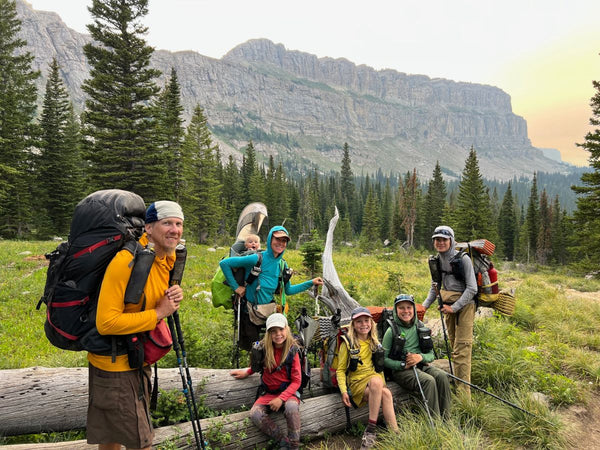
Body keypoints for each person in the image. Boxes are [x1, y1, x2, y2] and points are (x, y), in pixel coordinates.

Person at [87, 201, 185, 450]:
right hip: (115, 364)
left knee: (112, 437)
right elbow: (106, 322)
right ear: (149, 228)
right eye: (167, 223)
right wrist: (158, 312)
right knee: (142, 441)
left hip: (133, 356)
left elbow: (149, 298)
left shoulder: (163, 258)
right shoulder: (126, 261)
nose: (175, 229)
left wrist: (171, 296)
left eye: (179, 224)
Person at [220, 225, 323, 347]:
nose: (280, 243)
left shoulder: (282, 265)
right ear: (270, 240)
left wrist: (311, 282)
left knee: (273, 347)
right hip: (249, 313)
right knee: (255, 350)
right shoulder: (256, 258)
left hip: (269, 313)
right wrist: (236, 288)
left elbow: (288, 290)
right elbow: (224, 263)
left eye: (284, 241)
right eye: (277, 239)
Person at [230, 313, 302, 449]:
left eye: (281, 329)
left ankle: (294, 445)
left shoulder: (292, 350)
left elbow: (296, 381)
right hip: (268, 393)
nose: (278, 334)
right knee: (255, 414)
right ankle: (283, 441)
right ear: (268, 333)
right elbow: (257, 366)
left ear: (286, 329)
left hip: (288, 392)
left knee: (291, 407)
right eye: (273, 331)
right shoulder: (263, 348)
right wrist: (247, 372)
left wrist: (281, 398)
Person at [422, 225, 477, 398]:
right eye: (437, 239)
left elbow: (472, 289)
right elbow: (435, 287)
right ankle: (458, 382)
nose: (440, 243)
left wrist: (454, 307)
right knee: (455, 347)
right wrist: (423, 307)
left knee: (462, 348)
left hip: (464, 306)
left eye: (444, 239)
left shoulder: (463, 259)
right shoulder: (435, 261)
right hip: (448, 307)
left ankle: (464, 396)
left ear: (451, 241)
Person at [337, 307, 399, 449]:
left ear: (371, 323)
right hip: (357, 383)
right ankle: (371, 428)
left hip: (374, 381)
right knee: (377, 382)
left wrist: (381, 386)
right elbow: (340, 370)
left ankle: (395, 435)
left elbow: (379, 368)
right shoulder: (348, 344)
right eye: (359, 322)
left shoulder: (374, 342)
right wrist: (343, 391)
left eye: (367, 321)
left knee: (386, 392)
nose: (364, 324)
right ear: (353, 325)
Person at [383, 294, 451, 418]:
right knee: (428, 381)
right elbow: (384, 359)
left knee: (442, 376)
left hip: (421, 365)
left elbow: (431, 355)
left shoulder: (420, 327)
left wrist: (420, 357)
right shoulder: (391, 330)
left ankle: (447, 418)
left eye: (409, 307)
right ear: (395, 310)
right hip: (401, 371)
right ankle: (435, 421)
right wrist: (402, 364)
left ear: (414, 309)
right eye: (401, 308)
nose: (406, 311)